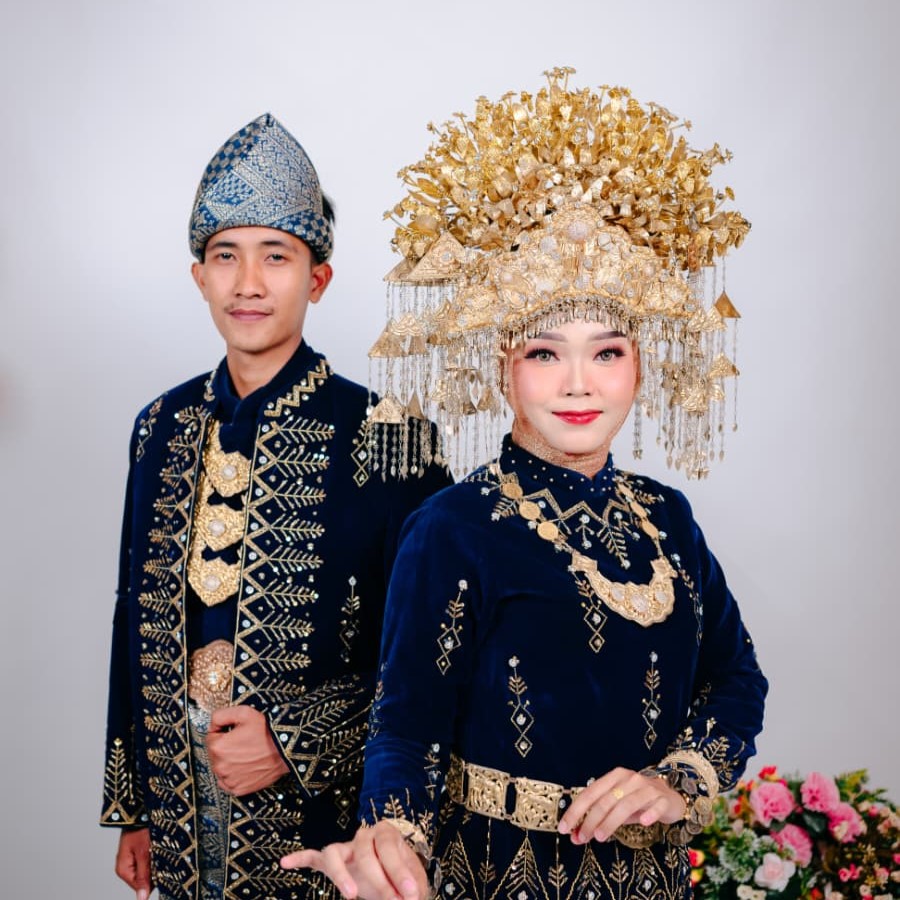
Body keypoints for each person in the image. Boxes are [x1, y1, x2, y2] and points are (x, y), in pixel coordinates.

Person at [281, 70, 768, 900]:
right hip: (498, 875)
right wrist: (391, 839)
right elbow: (406, 723)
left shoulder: (667, 519)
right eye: (545, 352)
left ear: (640, 364)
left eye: (607, 352)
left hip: (652, 880)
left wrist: (679, 779)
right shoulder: (453, 526)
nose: (579, 383)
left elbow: (736, 676)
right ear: (502, 364)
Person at [99, 112, 452, 900]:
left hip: (326, 831)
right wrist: (135, 808)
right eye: (226, 256)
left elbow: (433, 658)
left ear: (317, 279)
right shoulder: (159, 427)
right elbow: (132, 618)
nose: (248, 283)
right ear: (199, 275)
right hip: (181, 817)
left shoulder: (392, 437)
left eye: (276, 256)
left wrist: (293, 741)